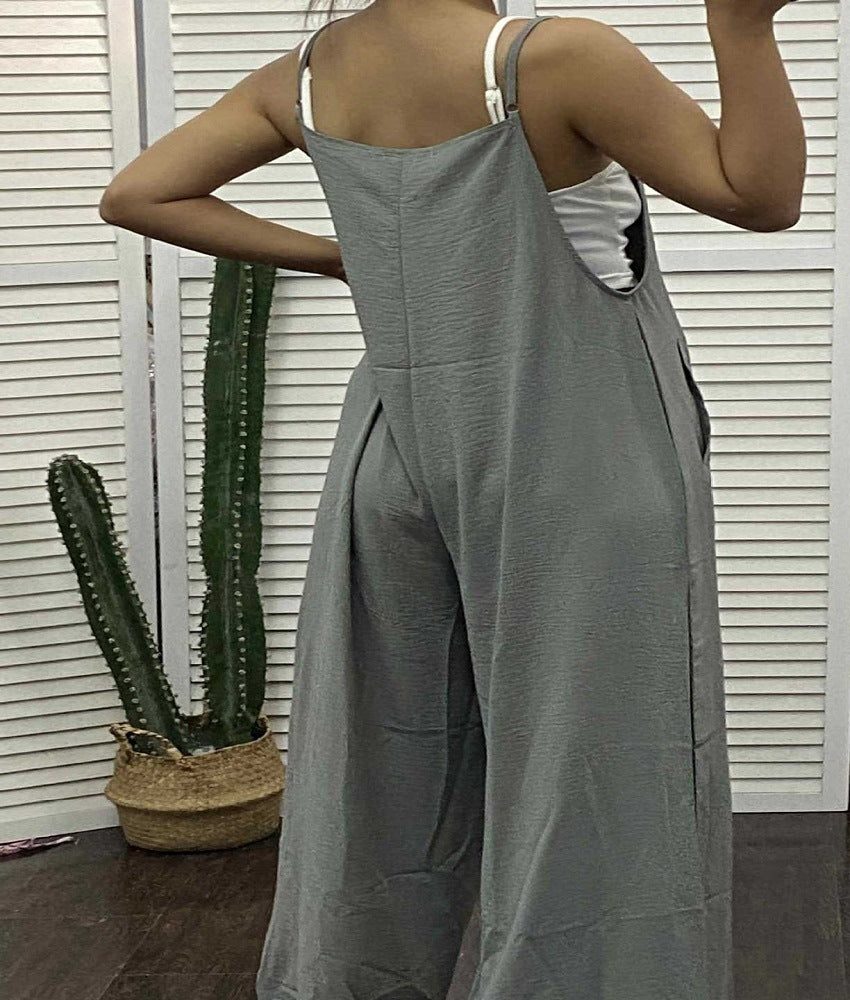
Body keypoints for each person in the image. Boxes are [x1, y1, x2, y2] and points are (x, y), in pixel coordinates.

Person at [99, 2, 804, 998]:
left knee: (383, 764)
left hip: (394, 453)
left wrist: (338, 252)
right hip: (578, 456)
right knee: (599, 770)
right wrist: (742, 28)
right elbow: (762, 196)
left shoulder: (306, 76)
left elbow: (136, 193)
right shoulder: (555, 57)